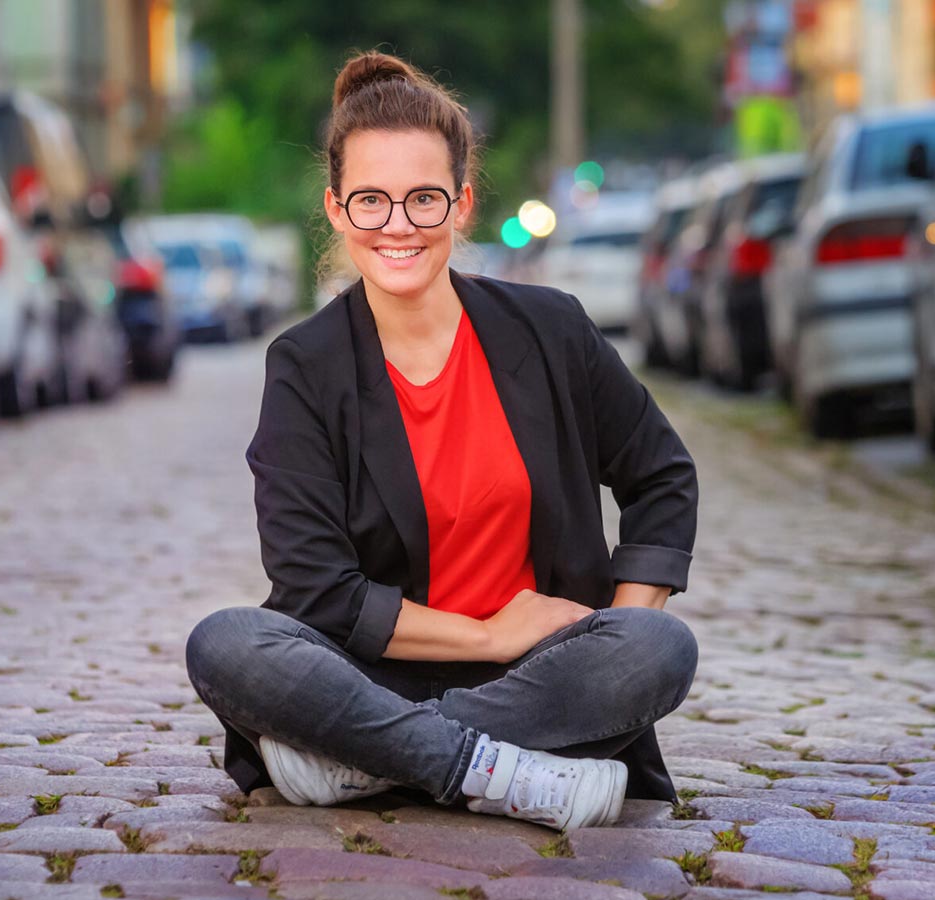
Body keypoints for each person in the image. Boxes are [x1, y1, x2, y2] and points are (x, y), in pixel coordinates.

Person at [185, 50, 699, 832]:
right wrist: (488, 632)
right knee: (226, 642)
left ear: (460, 206)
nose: (398, 226)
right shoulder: (304, 367)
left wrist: (607, 628)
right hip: (366, 679)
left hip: (538, 680)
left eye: (423, 199)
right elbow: (317, 586)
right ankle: (499, 772)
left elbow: (661, 476)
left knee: (657, 647)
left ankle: (364, 765)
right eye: (371, 201)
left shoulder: (551, 329)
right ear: (335, 209)